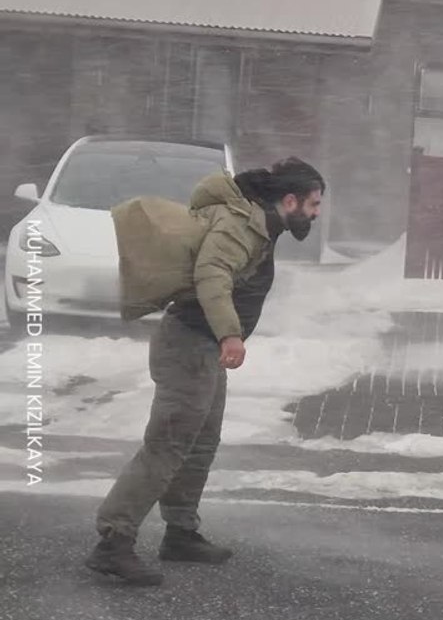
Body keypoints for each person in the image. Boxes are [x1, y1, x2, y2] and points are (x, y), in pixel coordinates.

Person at [84, 156, 324, 586]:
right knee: (168, 444)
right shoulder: (241, 225)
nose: (316, 213)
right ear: (290, 201)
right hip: (189, 344)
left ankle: (180, 534)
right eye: (313, 203)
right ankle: (113, 542)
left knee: (200, 444)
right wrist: (231, 334)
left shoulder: (262, 227)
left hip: (204, 346)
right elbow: (211, 274)